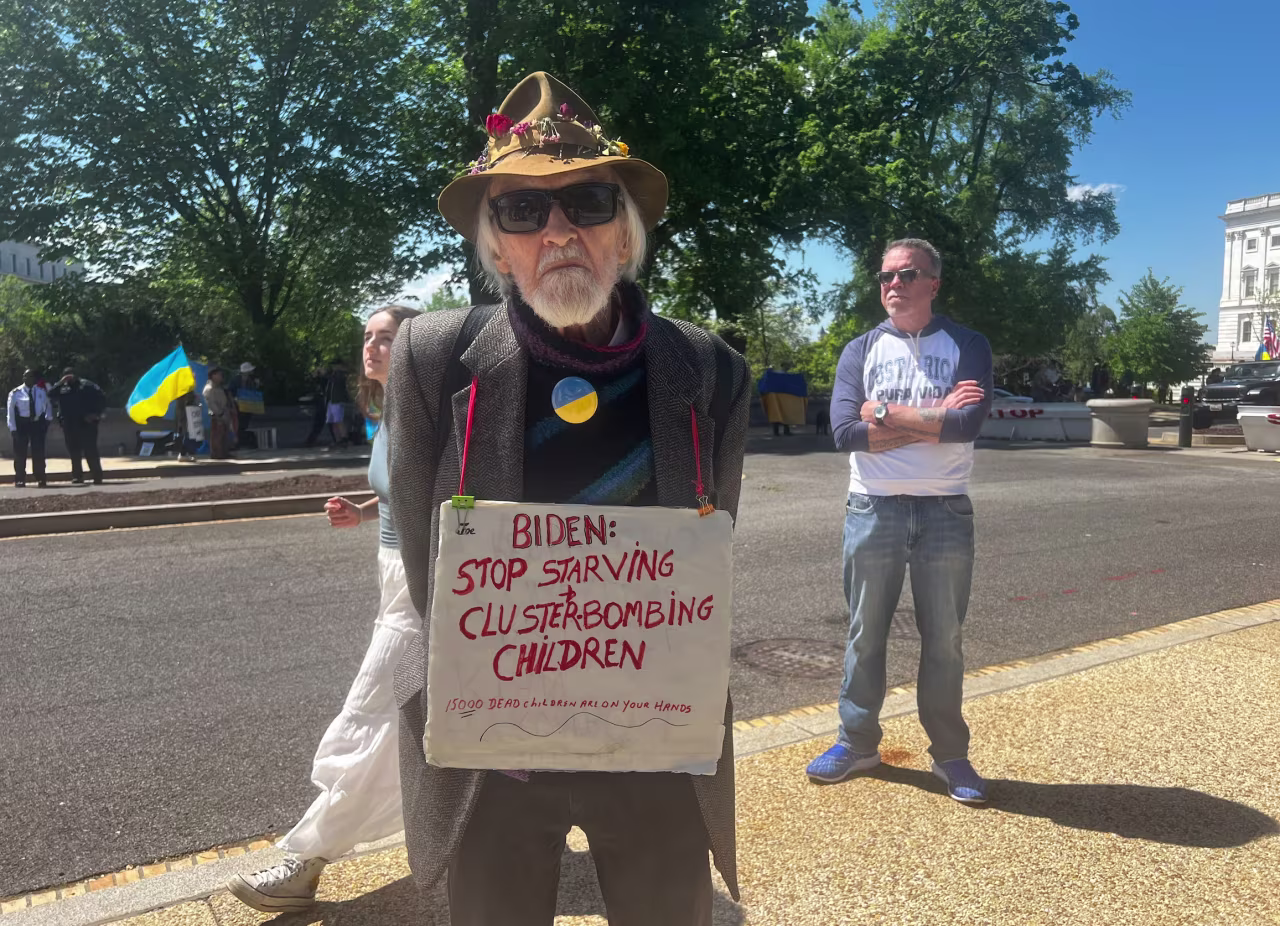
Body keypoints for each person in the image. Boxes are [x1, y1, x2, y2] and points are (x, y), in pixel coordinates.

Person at [387, 72, 749, 925]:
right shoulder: (434, 357)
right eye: (521, 213)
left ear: (623, 237)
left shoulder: (710, 370)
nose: (557, 232)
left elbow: (707, 544)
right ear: (497, 248)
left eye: (587, 203)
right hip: (493, 753)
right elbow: (422, 557)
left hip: (655, 742)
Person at [227, 305, 421, 914]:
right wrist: (364, 513)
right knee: (418, 719)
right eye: (367, 337)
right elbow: (397, 490)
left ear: (416, 345)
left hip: (423, 583)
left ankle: (306, 861)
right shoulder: (390, 412)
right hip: (395, 576)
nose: (371, 347)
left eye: (386, 338)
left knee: (372, 715)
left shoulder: (429, 414)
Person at [806, 237, 994, 805]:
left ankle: (949, 754)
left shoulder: (967, 344)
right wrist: (936, 416)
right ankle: (857, 742)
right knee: (865, 634)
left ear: (933, 282)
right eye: (886, 276)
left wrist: (884, 411)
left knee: (946, 639)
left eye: (907, 274)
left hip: (944, 509)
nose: (894, 284)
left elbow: (968, 426)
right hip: (873, 507)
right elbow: (844, 435)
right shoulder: (860, 349)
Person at [47, 368, 107, 485]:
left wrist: (96, 414)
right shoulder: (61, 387)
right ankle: (77, 476)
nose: (68, 378)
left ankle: (97, 476)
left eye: (70, 375)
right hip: (69, 424)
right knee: (74, 452)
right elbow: (50, 394)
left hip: (86, 424)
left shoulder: (87, 385)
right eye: (66, 376)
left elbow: (102, 398)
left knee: (90, 451)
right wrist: (60, 382)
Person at [7, 368, 53, 487]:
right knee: (20, 454)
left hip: (37, 424)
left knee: (39, 452)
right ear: (23, 378)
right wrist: (13, 428)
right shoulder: (16, 392)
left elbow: (48, 405)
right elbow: (10, 412)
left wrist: (48, 419)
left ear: (34, 379)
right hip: (22, 424)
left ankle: (40, 478)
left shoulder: (41, 391)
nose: (29, 379)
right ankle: (20, 478)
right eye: (26, 376)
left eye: (31, 377)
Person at [202, 367, 234, 459]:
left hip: (224, 412)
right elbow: (211, 403)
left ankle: (224, 452)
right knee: (217, 435)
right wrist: (219, 413)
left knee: (224, 434)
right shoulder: (209, 388)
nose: (221, 377)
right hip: (216, 415)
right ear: (213, 375)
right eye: (219, 375)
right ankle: (217, 454)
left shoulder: (219, 387)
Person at [231, 362, 261, 448]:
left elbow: (253, 393)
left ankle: (242, 442)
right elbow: (230, 391)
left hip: (248, 406)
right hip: (238, 406)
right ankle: (238, 442)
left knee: (244, 424)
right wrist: (234, 399)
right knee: (239, 424)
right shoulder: (236, 380)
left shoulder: (251, 381)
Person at [324, 359, 350, 447]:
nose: (334, 367)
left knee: (339, 420)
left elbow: (338, 381)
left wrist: (327, 374)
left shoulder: (341, 374)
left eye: (335, 365)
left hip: (337, 401)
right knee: (332, 421)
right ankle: (337, 439)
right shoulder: (333, 374)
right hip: (331, 401)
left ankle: (344, 438)